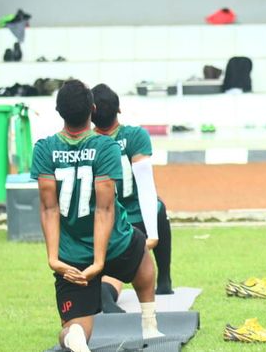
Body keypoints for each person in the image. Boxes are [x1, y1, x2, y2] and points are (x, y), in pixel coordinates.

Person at [32, 80, 163, 352]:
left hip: (71, 254)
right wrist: (99, 262)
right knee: (143, 255)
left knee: (76, 327)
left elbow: (48, 208)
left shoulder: (44, 148)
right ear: (92, 109)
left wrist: (54, 259)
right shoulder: (106, 147)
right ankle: (149, 323)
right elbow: (105, 209)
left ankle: (74, 338)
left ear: (59, 111)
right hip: (114, 242)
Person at [90, 84, 174, 314]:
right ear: (119, 110)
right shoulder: (135, 135)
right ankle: (164, 279)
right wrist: (153, 234)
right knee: (159, 208)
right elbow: (146, 185)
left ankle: (106, 296)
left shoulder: (89, 143)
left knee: (113, 268)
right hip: (138, 216)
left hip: (108, 219)